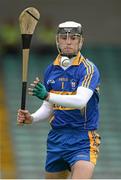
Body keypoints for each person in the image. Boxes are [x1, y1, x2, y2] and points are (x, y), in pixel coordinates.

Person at [17, 21, 101, 179]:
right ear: (58, 41)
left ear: (80, 41)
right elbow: (49, 107)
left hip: (82, 139)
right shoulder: (51, 70)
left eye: (73, 38)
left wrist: (48, 95)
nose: (68, 42)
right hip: (56, 138)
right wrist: (32, 118)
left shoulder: (88, 69)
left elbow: (80, 101)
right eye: (64, 37)